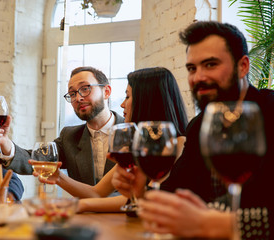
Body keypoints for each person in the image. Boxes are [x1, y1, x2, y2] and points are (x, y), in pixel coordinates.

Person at [112, 21, 274, 239]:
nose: (198, 77)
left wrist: (218, 224)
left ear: (242, 66)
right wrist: (140, 191)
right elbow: (175, 194)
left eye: (210, 65)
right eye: (192, 68)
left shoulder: (270, 111)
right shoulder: (200, 126)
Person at [31, 67, 188, 213]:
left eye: (127, 96)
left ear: (147, 101)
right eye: (72, 94)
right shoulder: (139, 147)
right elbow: (97, 193)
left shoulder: (181, 145)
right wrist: (58, 177)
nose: (121, 104)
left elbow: (151, 198)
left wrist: (77, 204)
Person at [0, 66, 124, 185]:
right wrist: (5, 142)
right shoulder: (70, 137)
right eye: (72, 93)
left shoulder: (133, 131)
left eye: (85, 88)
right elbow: (34, 161)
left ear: (106, 91)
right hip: (84, 215)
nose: (78, 98)